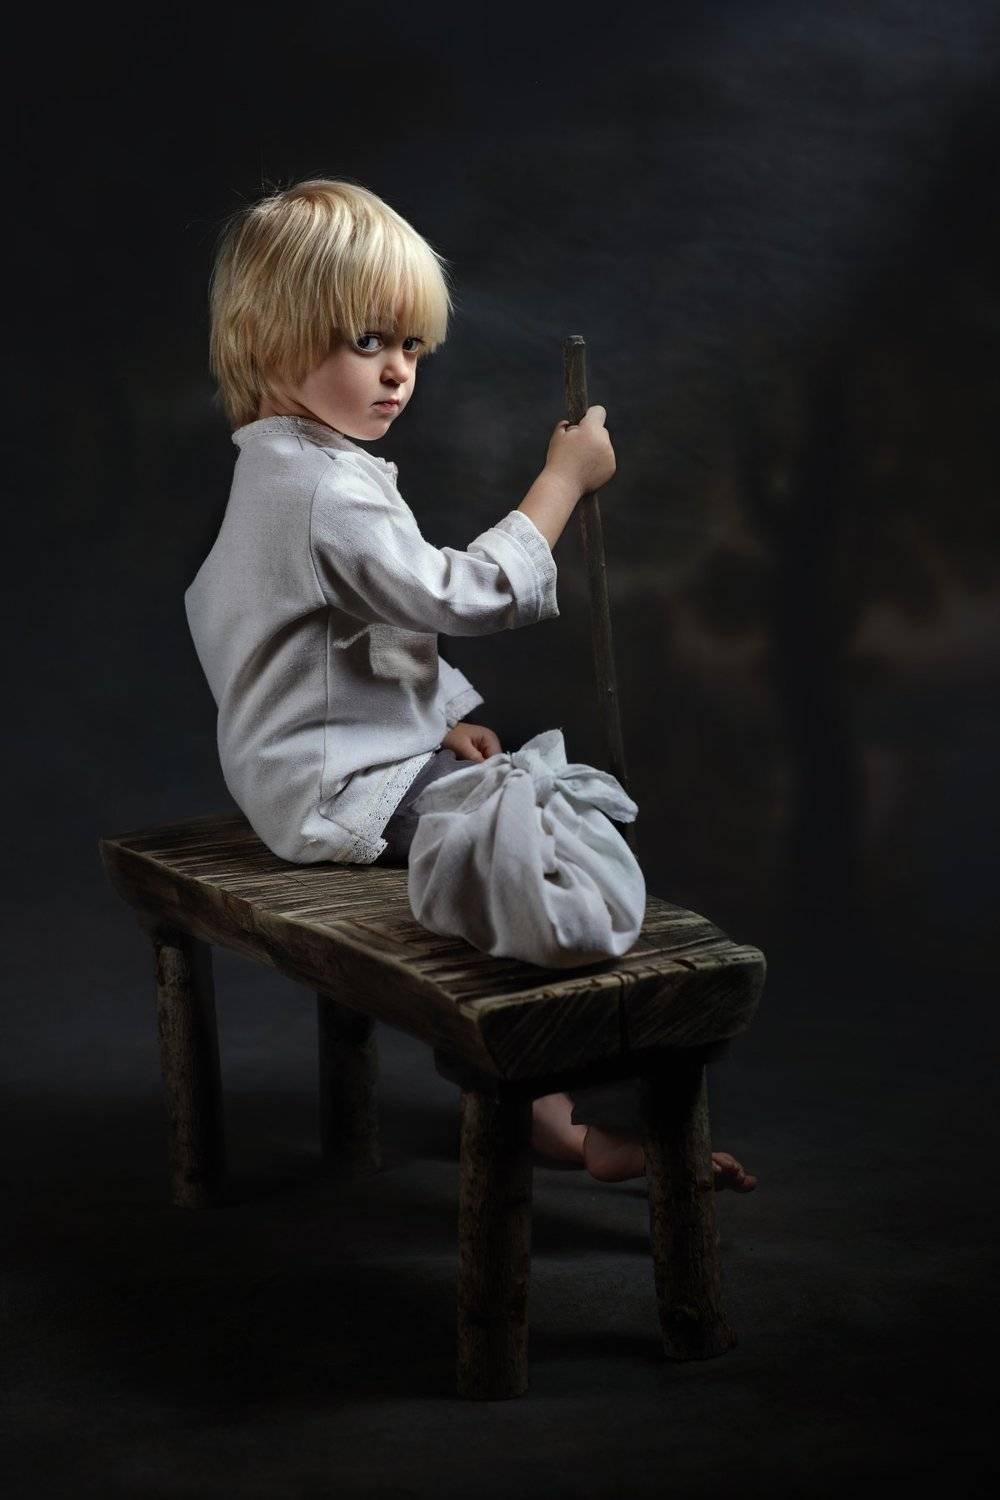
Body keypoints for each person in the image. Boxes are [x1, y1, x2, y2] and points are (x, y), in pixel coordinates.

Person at [185, 176, 756, 1193]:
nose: (397, 373)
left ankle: (557, 1106)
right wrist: (562, 481)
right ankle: (571, 1121)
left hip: (304, 772)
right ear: (268, 337)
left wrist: (436, 721)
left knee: (514, 823)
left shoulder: (280, 468)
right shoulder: (322, 488)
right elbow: (464, 594)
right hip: (337, 793)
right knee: (546, 857)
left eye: (412, 347)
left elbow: (331, 638)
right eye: (368, 341)